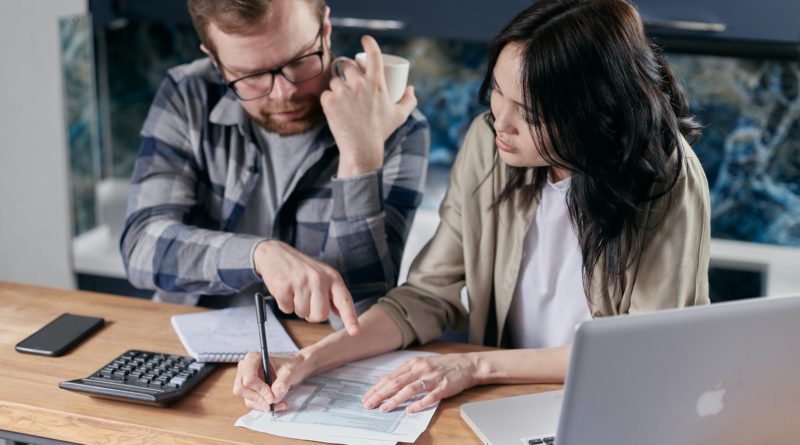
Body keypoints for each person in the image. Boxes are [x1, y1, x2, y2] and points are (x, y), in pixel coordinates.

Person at [233, 0, 711, 414]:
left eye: (529, 113)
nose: (499, 122)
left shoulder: (667, 178)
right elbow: (425, 296)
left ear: (593, 113)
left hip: (611, 404)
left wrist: (475, 364)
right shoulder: (489, 145)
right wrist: (309, 359)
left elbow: (643, 352)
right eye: (498, 93)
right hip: (505, 402)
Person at [120, 0, 430, 333]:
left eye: (299, 61)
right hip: (186, 342)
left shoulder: (397, 127)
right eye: (250, 75)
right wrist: (259, 256)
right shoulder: (188, 95)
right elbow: (141, 246)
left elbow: (362, 315)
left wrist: (360, 158)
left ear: (325, 30)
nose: (284, 93)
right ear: (216, 62)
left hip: (317, 357)